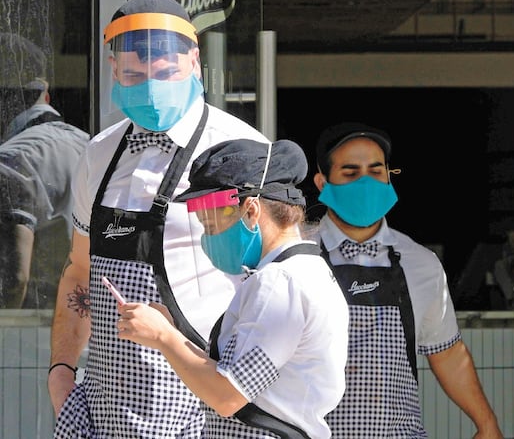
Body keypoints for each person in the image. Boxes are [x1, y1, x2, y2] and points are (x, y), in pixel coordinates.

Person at [48, 0, 270, 439]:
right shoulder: (99, 153)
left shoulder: (240, 150)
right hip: (105, 407)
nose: (150, 86)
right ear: (113, 70)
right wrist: (61, 371)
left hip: (205, 406)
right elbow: (79, 271)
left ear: (194, 60)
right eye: (133, 75)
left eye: (166, 73)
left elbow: (273, 281)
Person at [116, 138, 349, 439]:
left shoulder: (280, 282)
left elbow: (229, 396)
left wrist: (163, 336)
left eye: (211, 227)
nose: (207, 239)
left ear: (251, 210)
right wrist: (173, 330)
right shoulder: (306, 271)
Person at [309, 122, 504, 439]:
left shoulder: (420, 263)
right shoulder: (297, 258)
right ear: (322, 182)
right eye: (350, 172)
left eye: (375, 171)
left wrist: (486, 423)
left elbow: (447, 352)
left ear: (389, 176)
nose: (366, 182)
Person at [0, 77, 89, 308]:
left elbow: (16, 278)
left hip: (39, 319)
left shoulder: (10, 159)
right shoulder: (92, 146)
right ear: (46, 97)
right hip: (90, 311)